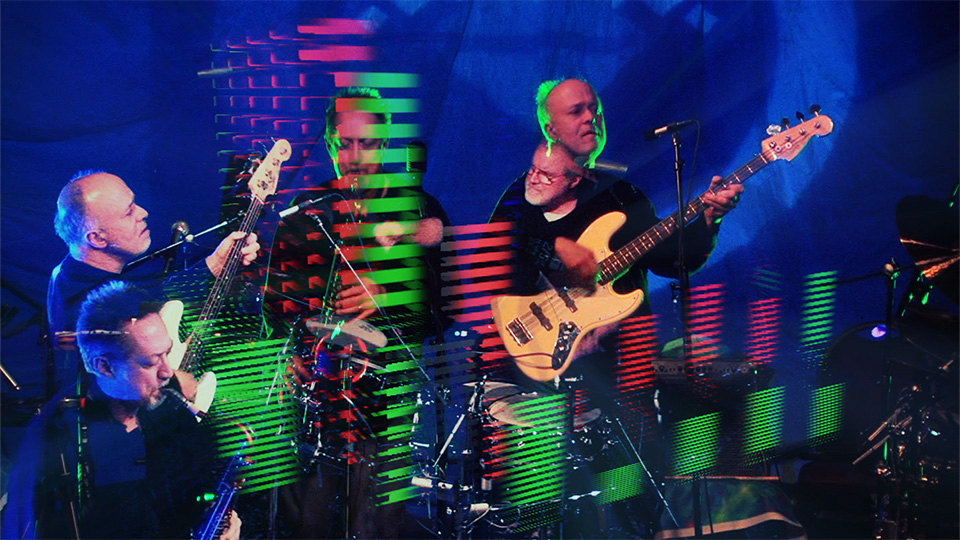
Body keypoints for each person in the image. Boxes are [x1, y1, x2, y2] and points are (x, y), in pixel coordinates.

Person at [273, 87, 448, 539]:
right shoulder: (304, 214)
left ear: (384, 142)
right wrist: (287, 354)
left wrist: (385, 297)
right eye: (344, 144)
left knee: (375, 524)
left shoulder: (418, 208)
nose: (353, 158)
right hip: (313, 395)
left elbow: (440, 315)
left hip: (385, 397)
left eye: (366, 144)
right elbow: (276, 306)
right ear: (330, 143)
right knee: (306, 523)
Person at [2, 281, 241, 539]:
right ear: (104, 367)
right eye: (150, 362)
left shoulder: (168, 403)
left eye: (167, 353)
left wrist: (222, 518)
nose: (167, 372)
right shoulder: (57, 435)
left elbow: (196, 484)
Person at [46, 170, 260, 395]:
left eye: (134, 203)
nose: (143, 213)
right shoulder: (81, 298)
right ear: (97, 238)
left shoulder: (72, 272)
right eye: (129, 212)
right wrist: (212, 266)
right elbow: (133, 305)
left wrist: (216, 263)